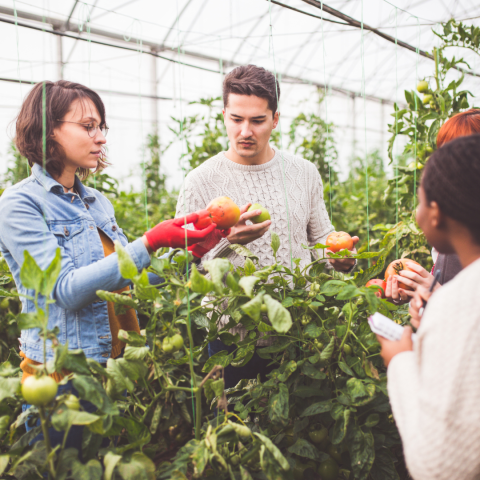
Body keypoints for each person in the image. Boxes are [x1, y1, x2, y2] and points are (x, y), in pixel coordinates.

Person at [0, 80, 217, 454]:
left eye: (102, 127)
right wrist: (149, 241)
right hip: (62, 378)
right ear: (48, 129)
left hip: (113, 370)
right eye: (87, 126)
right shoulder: (20, 205)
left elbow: (127, 282)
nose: (100, 138)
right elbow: (66, 290)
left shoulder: (96, 202)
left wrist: (192, 251)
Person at [175, 65, 358, 389]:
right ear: (224, 115)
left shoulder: (303, 173)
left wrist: (339, 256)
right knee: (233, 431)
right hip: (230, 338)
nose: (246, 131)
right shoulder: (200, 181)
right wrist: (229, 242)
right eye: (237, 119)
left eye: (258, 121)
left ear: (274, 119)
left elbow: (320, 235)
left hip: (297, 329)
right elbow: (187, 264)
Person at [377, 134, 480, 480]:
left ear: (435, 214)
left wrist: (400, 357)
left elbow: (439, 466)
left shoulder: (460, 302)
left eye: (420, 200)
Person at [386, 109, 480, 304]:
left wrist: (439, 297)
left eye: (459, 155)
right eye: (444, 154)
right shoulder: (451, 222)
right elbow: (442, 279)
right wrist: (416, 292)